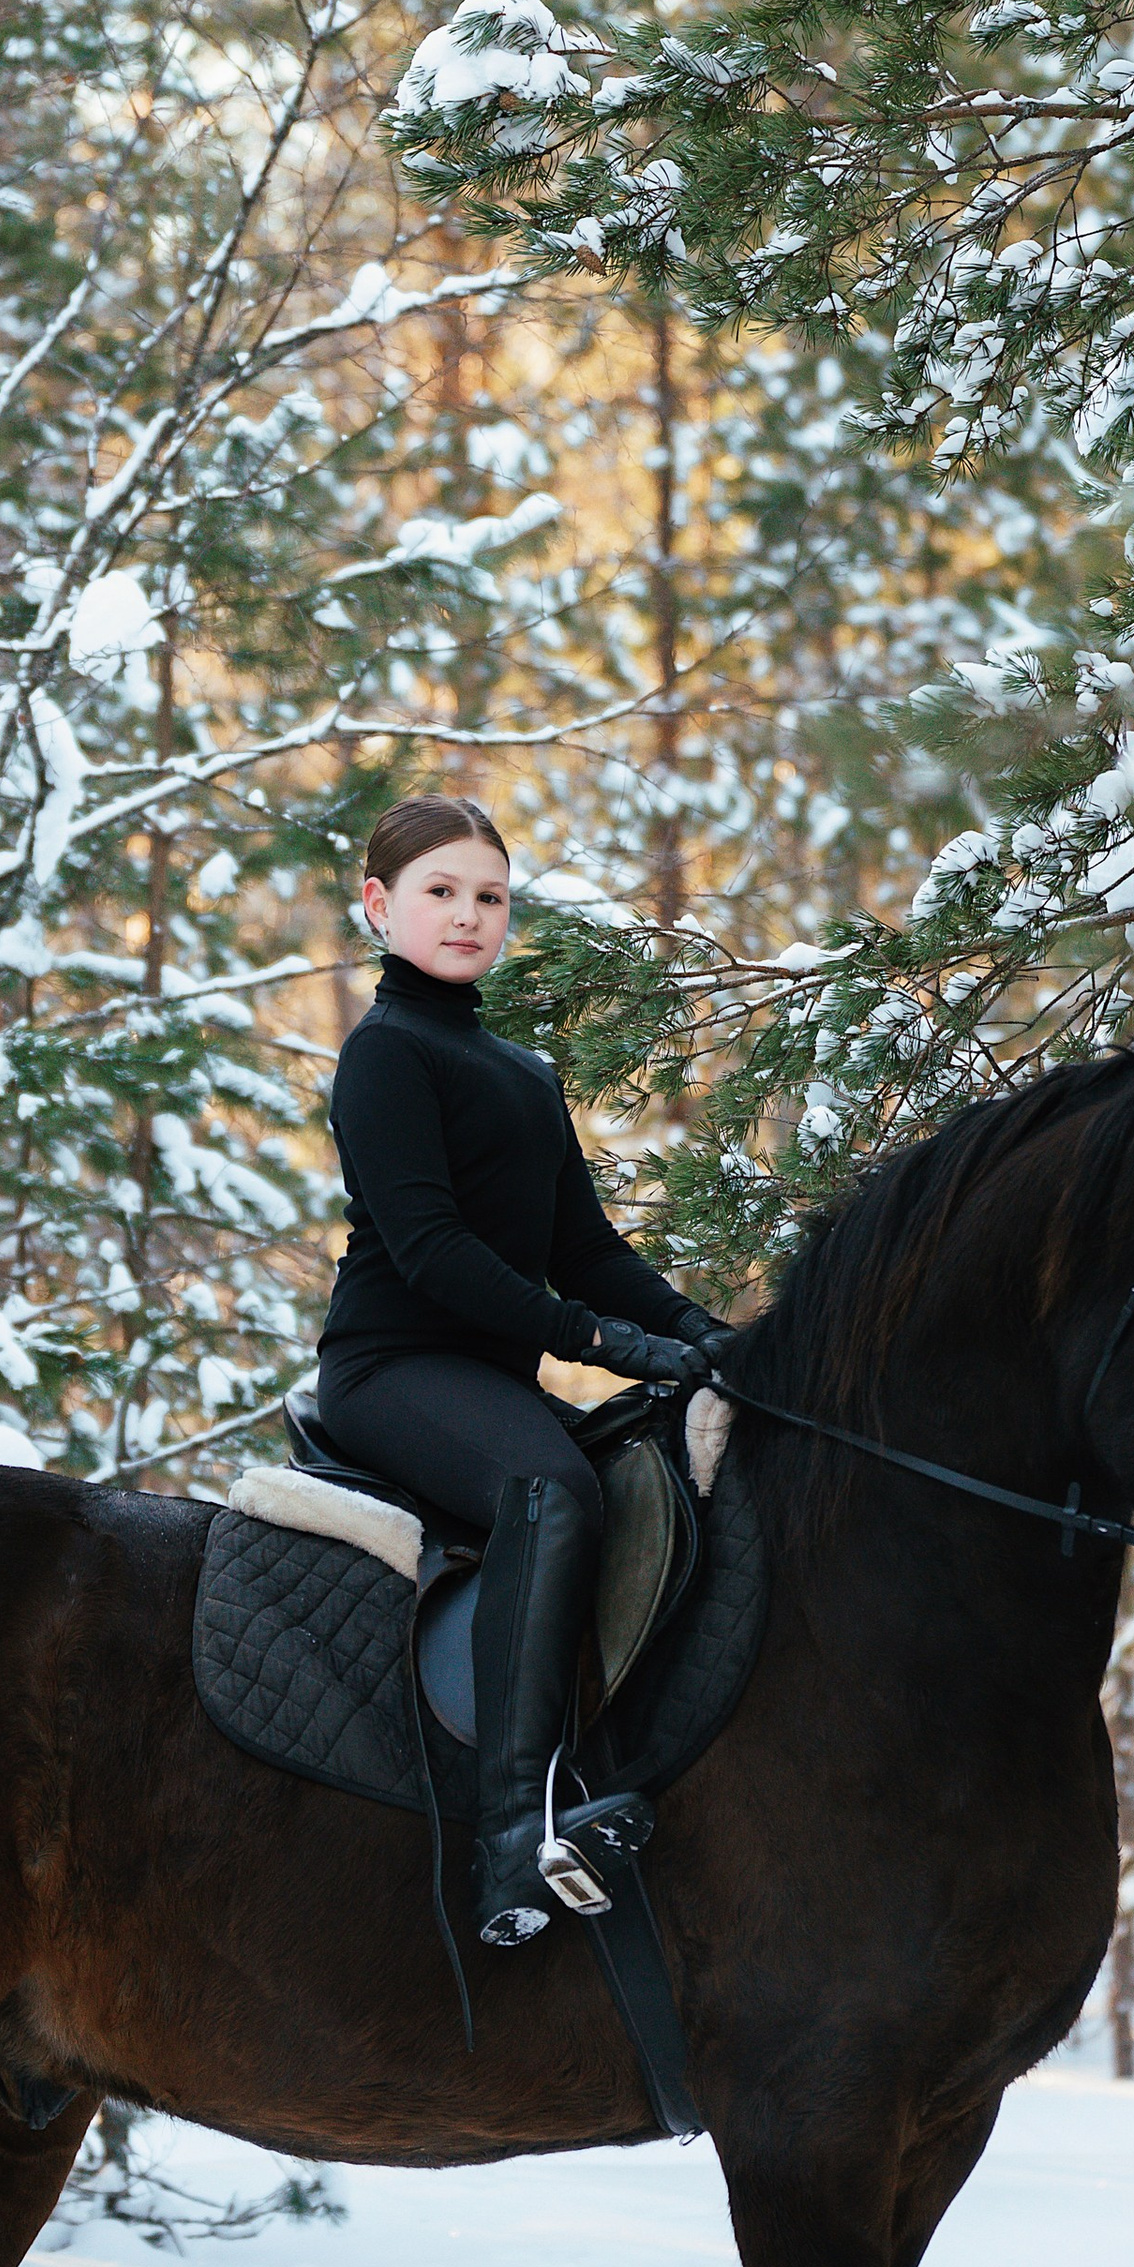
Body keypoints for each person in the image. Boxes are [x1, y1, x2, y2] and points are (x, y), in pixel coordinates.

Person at [314, 795, 730, 1946]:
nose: (466, 915)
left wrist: (706, 1339)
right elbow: (433, 1253)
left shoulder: (519, 1070)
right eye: (439, 892)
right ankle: (513, 1836)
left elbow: (586, 1253)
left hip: (491, 1378)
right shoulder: (385, 1056)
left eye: (488, 897)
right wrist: (597, 1343)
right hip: (392, 1364)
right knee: (550, 1491)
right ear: (378, 905)